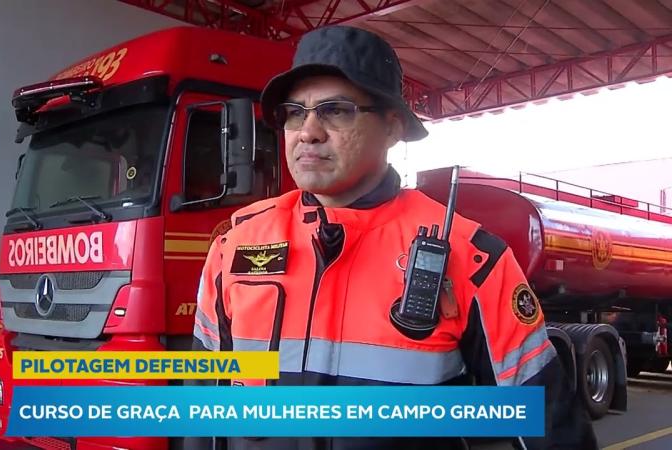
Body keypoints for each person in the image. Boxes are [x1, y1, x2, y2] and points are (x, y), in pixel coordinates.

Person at [185, 25, 598, 450]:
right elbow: (202, 405)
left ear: (392, 128)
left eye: (336, 110)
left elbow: (546, 420)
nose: (308, 131)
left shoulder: (471, 254)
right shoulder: (235, 242)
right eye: (295, 112)